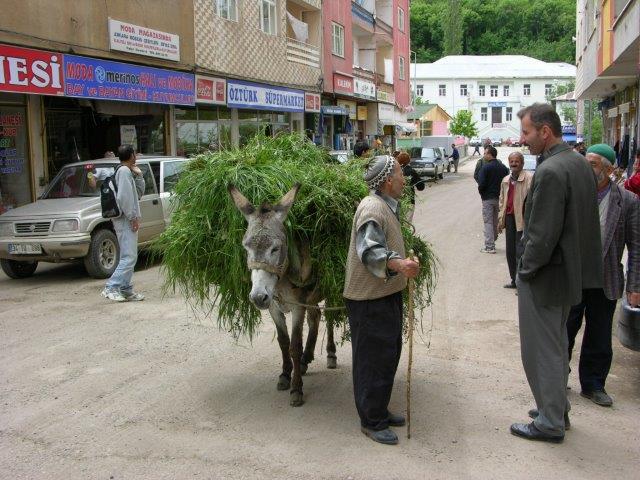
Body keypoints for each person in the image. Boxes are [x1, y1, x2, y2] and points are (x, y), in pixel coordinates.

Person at [510, 103, 602, 443]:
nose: (522, 141)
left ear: (544, 132)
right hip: (569, 275)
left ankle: (549, 421)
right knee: (557, 343)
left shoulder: (550, 171)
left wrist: (525, 271)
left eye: (526, 133)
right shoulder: (579, 163)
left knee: (542, 349)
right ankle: (555, 408)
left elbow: (541, 235)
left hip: (546, 276)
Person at [343, 155, 420, 445]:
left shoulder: (385, 206)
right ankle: (372, 421)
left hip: (384, 294)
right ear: (388, 180)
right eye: (401, 174)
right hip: (369, 299)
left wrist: (400, 262)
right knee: (372, 360)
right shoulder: (372, 208)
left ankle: (379, 409)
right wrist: (399, 265)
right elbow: (369, 251)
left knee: (386, 355)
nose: (404, 179)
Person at [566, 144, 640, 407]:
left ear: (609, 170)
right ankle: (557, 377)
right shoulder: (572, 195)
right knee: (564, 330)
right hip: (573, 276)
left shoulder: (628, 202)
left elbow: (636, 247)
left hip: (605, 279)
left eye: (594, 164)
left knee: (598, 335)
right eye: (585, 163)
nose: (587, 168)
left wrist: (635, 285)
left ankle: (594, 384)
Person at [101, 144, 146, 302]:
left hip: (126, 219)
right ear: (132, 155)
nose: (136, 157)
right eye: (135, 154)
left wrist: (139, 175)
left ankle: (125, 289)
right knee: (129, 257)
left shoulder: (126, 171)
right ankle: (111, 287)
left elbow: (138, 194)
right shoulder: (124, 171)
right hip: (126, 220)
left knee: (130, 256)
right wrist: (133, 217)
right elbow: (125, 198)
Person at [498, 152, 533, 288]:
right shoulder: (506, 180)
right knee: (510, 252)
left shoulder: (529, 178)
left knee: (521, 252)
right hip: (509, 219)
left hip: (522, 219)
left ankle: (521, 283)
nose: (514, 164)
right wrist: (500, 219)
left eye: (516, 161)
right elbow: (502, 200)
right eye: (511, 161)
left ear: (522, 163)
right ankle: (514, 280)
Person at [477, 146, 509, 254]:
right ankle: (492, 240)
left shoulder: (485, 168)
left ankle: (490, 246)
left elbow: (481, 184)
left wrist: (482, 194)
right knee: (495, 221)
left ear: (490, 154)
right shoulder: (503, 168)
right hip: (499, 199)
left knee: (488, 222)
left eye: (485, 153)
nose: (484, 155)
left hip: (488, 198)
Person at [395, 151, 425, 222]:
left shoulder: (394, 171)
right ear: (409, 161)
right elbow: (421, 187)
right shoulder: (411, 171)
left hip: (396, 202)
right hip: (409, 202)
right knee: (406, 225)